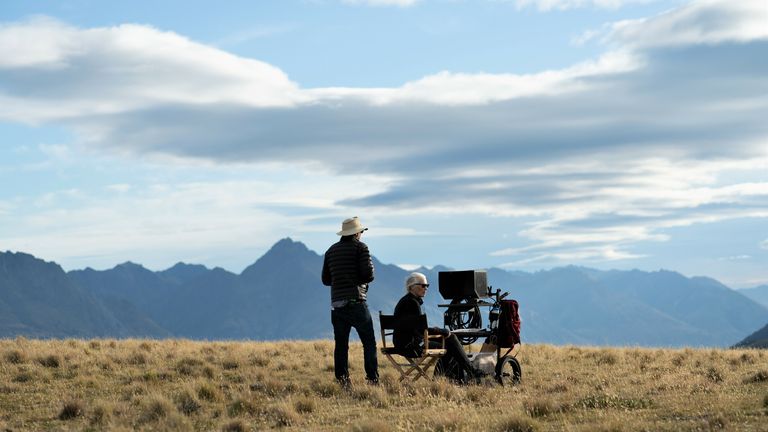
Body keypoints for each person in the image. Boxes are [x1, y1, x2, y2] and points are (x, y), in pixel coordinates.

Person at [393, 272, 485, 383]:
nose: (426, 288)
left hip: (405, 342)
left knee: (451, 340)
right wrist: (443, 331)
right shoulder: (412, 303)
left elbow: (417, 329)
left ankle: (454, 376)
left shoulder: (406, 301)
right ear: (412, 287)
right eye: (423, 285)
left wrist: (442, 332)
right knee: (450, 343)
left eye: (427, 286)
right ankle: (462, 374)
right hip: (411, 345)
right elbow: (422, 330)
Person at [321, 216, 379, 386]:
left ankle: (343, 381)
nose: (361, 234)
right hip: (356, 302)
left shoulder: (330, 251)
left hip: (337, 305)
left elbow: (325, 280)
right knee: (369, 343)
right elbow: (369, 275)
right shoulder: (361, 248)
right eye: (361, 231)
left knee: (341, 345)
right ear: (356, 233)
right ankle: (373, 380)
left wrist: (341, 280)